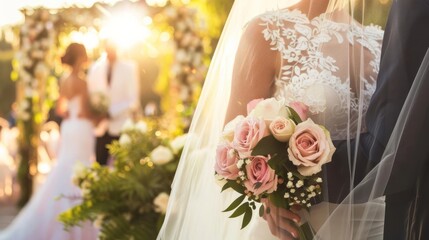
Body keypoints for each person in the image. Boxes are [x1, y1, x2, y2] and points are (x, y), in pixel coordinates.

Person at [158, 0, 387, 239]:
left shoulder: (379, 40)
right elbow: (232, 138)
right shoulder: (267, 31)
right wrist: (269, 194)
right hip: (297, 224)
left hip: (375, 221)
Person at [0, 43, 98, 240]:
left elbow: (61, 109)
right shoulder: (82, 82)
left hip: (69, 127)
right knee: (81, 169)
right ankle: (78, 224)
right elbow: (87, 112)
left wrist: (73, 112)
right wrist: (101, 114)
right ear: (81, 57)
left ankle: (60, 217)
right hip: (81, 128)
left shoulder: (64, 80)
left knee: (65, 167)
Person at [87, 40, 140, 165]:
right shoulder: (95, 68)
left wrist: (111, 113)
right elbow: (91, 95)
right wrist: (97, 114)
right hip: (101, 128)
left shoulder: (129, 68)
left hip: (121, 127)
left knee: (122, 168)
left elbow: (133, 100)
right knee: (99, 168)